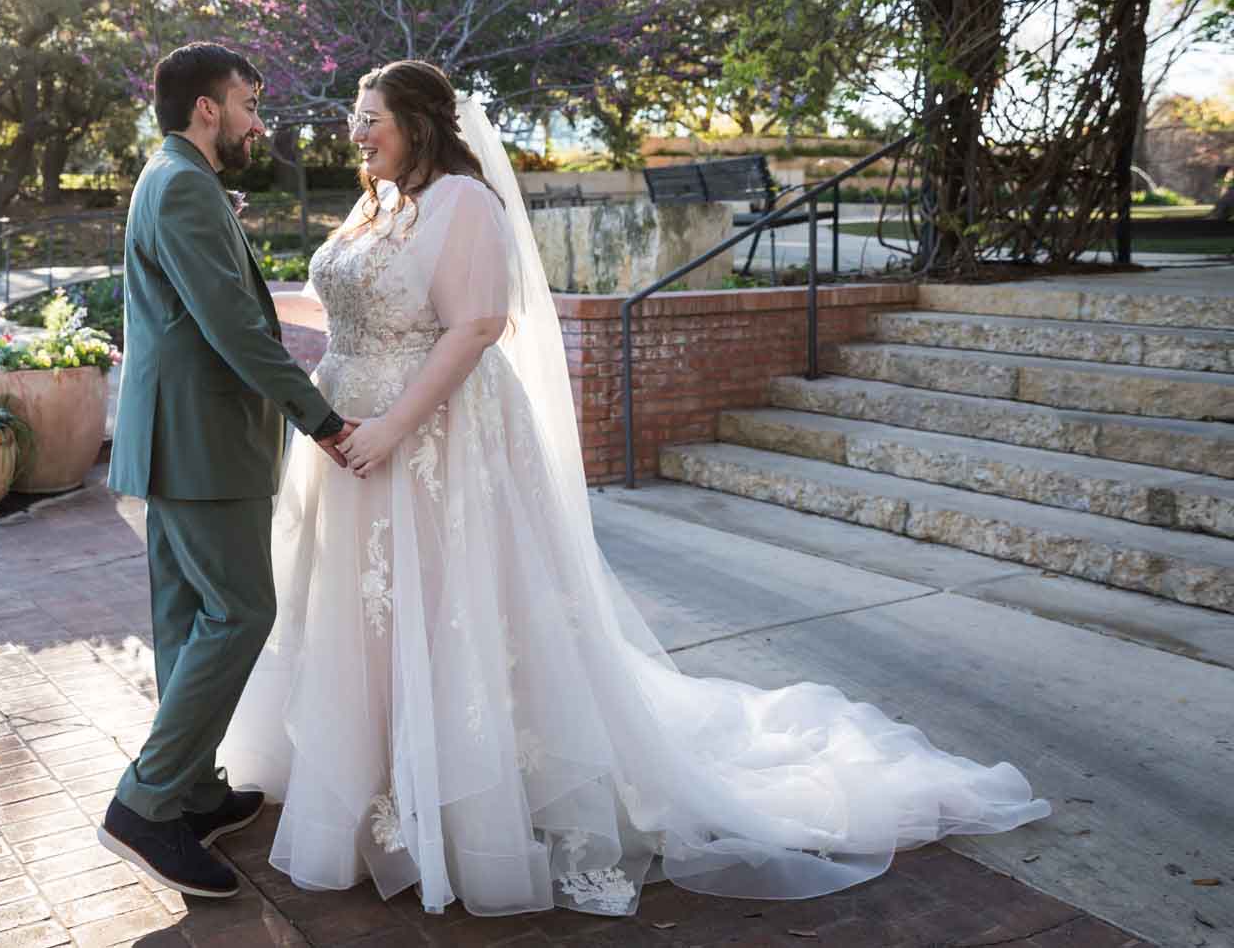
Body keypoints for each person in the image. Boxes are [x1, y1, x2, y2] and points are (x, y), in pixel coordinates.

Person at [220, 59, 1050, 917]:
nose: (356, 134)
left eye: (371, 118)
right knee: (374, 616)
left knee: (446, 607)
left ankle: (466, 807)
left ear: (420, 121)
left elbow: (476, 325)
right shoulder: (380, 202)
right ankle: (380, 784)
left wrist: (393, 426)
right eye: (355, 118)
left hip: (432, 440)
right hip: (349, 438)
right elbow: (359, 307)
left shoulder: (465, 201)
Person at [100, 42, 358, 899]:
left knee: (187, 618)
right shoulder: (181, 186)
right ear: (207, 108)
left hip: (183, 442)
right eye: (248, 102)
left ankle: (192, 790)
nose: (257, 120)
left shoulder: (173, 177)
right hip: (203, 443)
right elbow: (237, 331)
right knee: (244, 610)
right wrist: (319, 419)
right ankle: (143, 803)